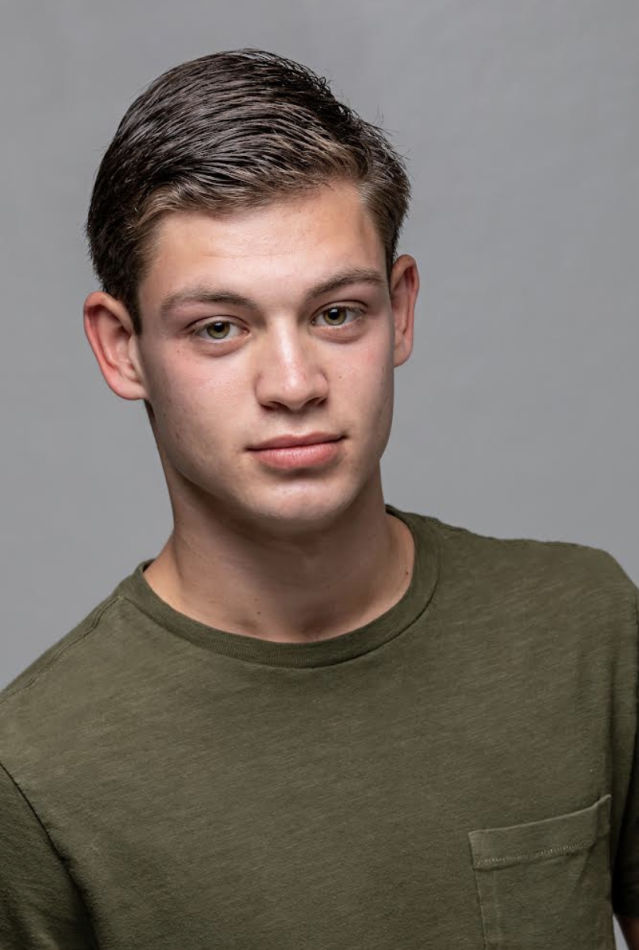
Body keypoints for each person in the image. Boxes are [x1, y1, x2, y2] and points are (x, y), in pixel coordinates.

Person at [0, 48, 637, 950]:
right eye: (218, 328)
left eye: (336, 313)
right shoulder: (34, 770)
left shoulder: (585, 629)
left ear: (399, 309)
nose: (294, 384)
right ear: (121, 347)